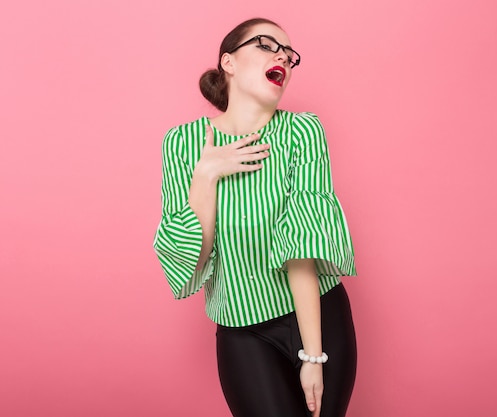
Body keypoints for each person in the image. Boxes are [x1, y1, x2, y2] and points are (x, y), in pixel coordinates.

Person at [153, 17, 357, 417]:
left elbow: (304, 244)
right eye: (266, 44)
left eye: (289, 54)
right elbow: (192, 258)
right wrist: (206, 175)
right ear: (228, 62)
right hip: (240, 328)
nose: (283, 55)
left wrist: (312, 358)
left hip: (314, 315)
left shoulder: (302, 131)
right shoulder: (182, 143)